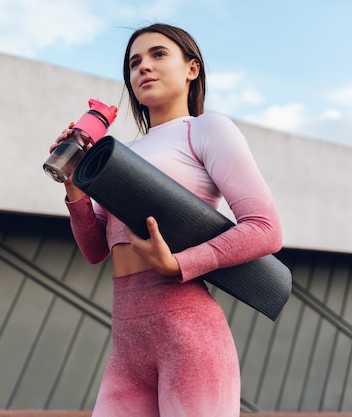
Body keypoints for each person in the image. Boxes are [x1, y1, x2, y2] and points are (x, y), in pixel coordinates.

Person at [50, 23, 283, 416]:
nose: (143, 68)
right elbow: (94, 251)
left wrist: (180, 263)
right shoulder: (116, 152)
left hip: (189, 335)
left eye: (158, 55)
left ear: (192, 68)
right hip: (127, 344)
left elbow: (265, 228)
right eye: (134, 62)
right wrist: (75, 189)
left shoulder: (206, 129)